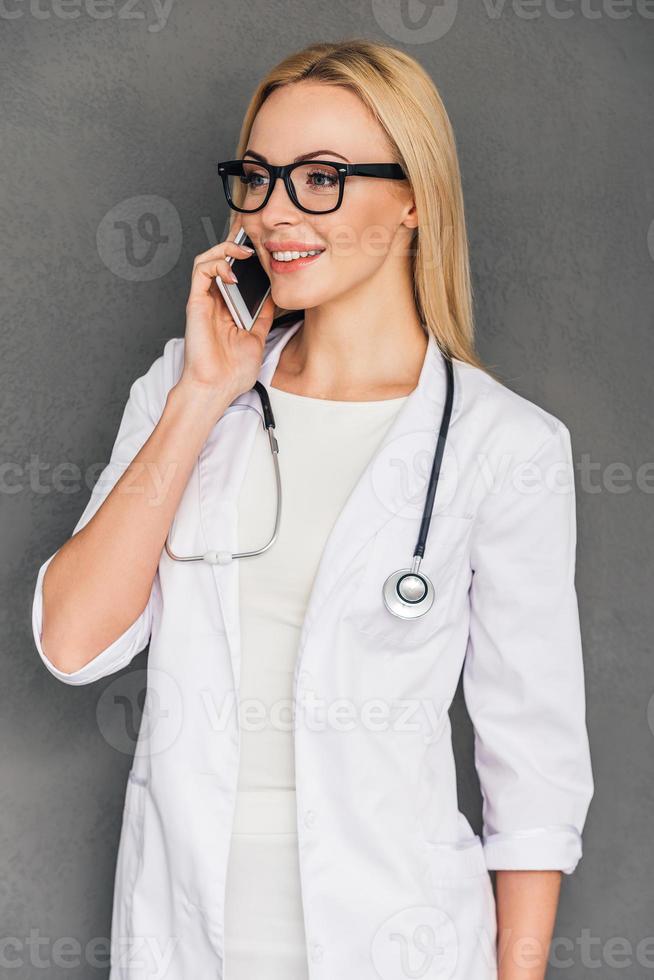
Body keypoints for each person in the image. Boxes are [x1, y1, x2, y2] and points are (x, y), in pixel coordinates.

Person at [31, 38, 594, 980]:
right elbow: (73, 643)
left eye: (322, 179)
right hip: (184, 946)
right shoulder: (183, 390)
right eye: (257, 178)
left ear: (413, 197)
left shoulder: (506, 446)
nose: (275, 213)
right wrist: (204, 396)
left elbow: (532, 769)